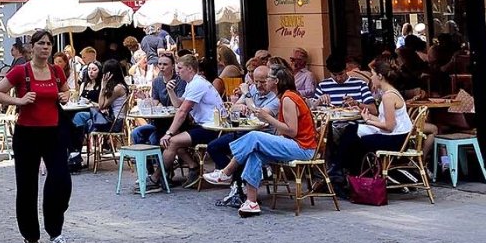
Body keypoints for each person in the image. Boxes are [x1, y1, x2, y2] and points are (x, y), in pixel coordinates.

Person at [0, 29, 74, 243]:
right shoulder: (21, 71)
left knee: (61, 180)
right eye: (41, 43)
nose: (46, 47)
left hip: (54, 132)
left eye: (48, 44)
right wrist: (18, 100)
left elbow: (66, 91)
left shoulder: (56, 71)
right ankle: (30, 234)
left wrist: (66, 95)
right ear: (33, 46)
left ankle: (55, 231)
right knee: (28, 185)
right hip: (27, 133)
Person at [206, 62, 319, 217]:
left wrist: (267, 118)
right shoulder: (286, 96)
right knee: (255, 153)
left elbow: (292, 131)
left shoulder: (288, 98)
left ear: (276, 82)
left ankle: (226, 172)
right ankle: (251, 202)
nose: (266, 81)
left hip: (303, 148)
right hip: (296, 145)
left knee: (253, 136)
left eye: (269, 78)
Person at [331, 59, 413, 189]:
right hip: (396, 135)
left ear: (380, 76)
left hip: (397, 139)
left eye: (373, 74)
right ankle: (343, 172)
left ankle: (346, 174)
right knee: (351, 129)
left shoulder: (388, 97)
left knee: (356, 143)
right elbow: (383, 120)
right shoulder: (388, 94)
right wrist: (367, 116)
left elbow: (389, 126)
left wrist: (368, 121)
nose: (371, 77)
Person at [157, 51, 225, 187]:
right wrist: (170, 90)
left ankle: (158, 177)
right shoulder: (192, 83)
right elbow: (178, 104)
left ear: (190, 69)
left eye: (180, 68)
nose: (178, 71)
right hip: (205, 125)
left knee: (172, 141)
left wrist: (169, 133)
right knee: (174, 138)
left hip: (211, 127)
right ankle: (193, 167)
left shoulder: (197, 84)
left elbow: (182, 111)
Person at [129, 53, 185, 146]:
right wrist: (144, 98)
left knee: (154, 138)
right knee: (136, 133)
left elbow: (178, 105)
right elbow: (155, 102)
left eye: (165, 64)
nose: (162, 67)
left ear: (172, 66)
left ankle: (157, 160)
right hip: (158, 122)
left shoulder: (179, 81)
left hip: (173, 123)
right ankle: (144, 160)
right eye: (160, 64)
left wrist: (169, 91)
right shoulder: (157, 81)